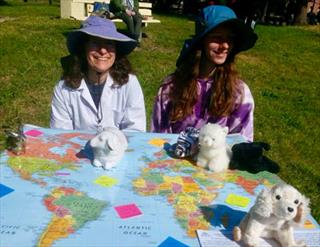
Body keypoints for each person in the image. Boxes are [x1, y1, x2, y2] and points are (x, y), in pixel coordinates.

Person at [151, 5, 258, 141]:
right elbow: (158, 136)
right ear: (202, 41)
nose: (225, 45)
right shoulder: (171, 86)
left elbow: (241, 141)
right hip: (172, 159)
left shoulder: (238, 92)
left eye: (229, 38)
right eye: (217, 37)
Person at [50, 16, 146, 132]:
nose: (103, 51)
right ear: (83, 48)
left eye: (109, 43)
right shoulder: (63, 89)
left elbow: (135, 130)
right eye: (95, 43)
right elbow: (61, 136)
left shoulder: (130, 83)